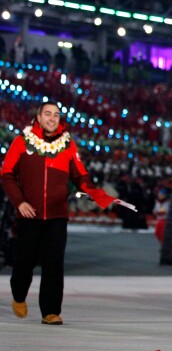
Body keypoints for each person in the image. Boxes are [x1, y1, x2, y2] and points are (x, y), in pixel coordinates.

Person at [1, 102, 117, 325]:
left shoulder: (68, 145)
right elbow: (6, 175)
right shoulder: (21, 142)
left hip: (57, 214)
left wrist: (90, 190)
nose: (52, 118)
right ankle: (18, 294)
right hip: (28, 214)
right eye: (48, 114)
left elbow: (80, 176)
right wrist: (20, 202)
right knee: (25, 261)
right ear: (39, 116)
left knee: (54, 263)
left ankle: (51, 311)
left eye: (56, 115)